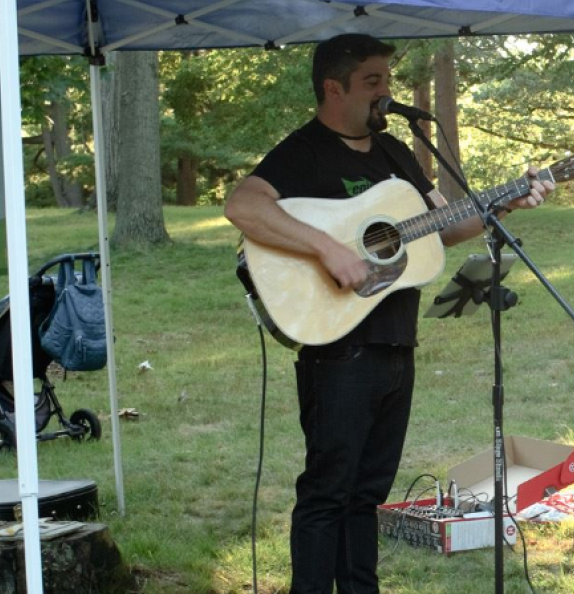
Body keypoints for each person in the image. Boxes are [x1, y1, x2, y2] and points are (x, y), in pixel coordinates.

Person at [224, 33, 553, 594]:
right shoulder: (304, 151)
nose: (386, 94)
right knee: (329, 490)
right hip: (337, 346)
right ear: (334, 88)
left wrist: (502, 200)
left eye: (388, 82)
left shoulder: (396, 154)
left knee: (368, 492)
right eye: (372, 82)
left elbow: (442, 227)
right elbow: (243, 205)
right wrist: (326, 247)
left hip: (396, 343)